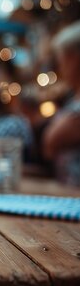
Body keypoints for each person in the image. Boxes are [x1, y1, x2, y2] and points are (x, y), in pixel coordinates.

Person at [44, 21, 80, 185]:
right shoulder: (72, 97)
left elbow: (53, 140)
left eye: (62, 60)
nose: (61, 68)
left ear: (75, 58)